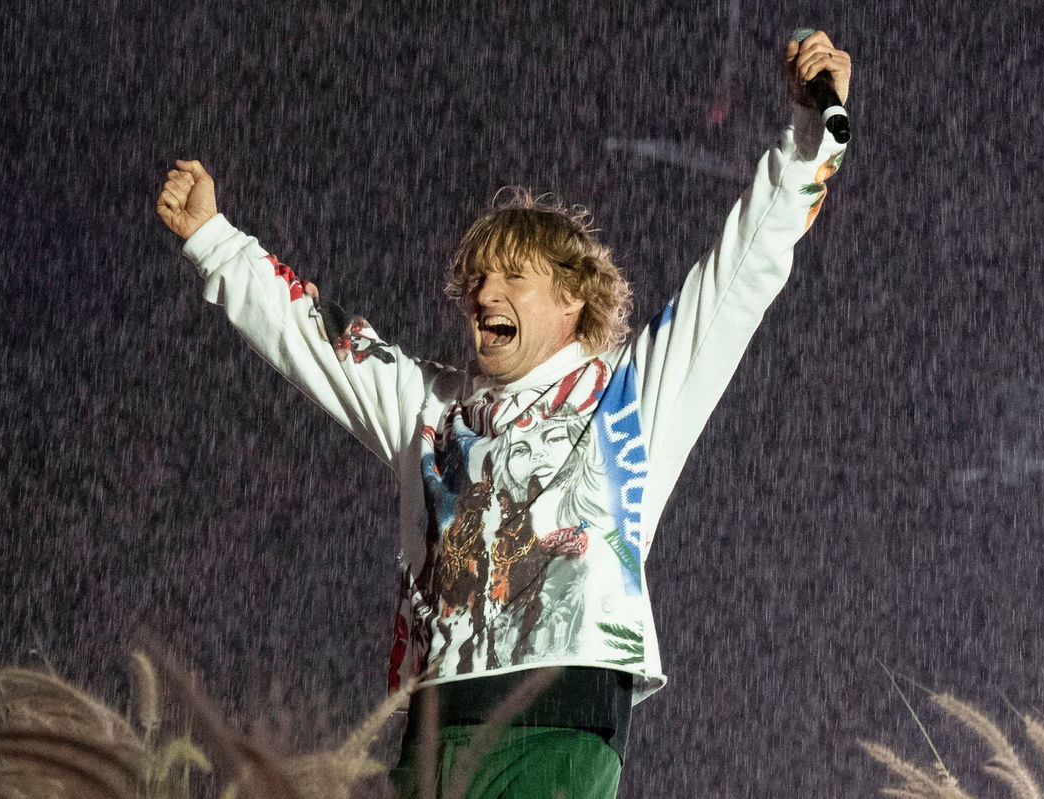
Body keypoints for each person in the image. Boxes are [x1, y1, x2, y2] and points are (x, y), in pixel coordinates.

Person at [156, 29, 851, 799]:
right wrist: (215, 243)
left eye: (513, 276)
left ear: (572, 299)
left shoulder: (630, 392)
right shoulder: (430, 409)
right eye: (477, 278)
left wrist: (807, 133)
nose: (486, 293)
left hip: (561, 721)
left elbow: (746, 265)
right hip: (434, 721)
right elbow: (318, 337)